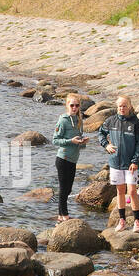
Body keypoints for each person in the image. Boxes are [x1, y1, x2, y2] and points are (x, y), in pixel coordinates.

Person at [100, 95, 139, 233]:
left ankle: (137, 221)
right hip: (115, 163)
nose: (122, 108)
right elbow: (101, 133)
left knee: (132, 191)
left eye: (125, 105)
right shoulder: (110, 121)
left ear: (130, 106)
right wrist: (106, 145)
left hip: (130, 164)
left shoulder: (136, 123)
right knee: (120, 191)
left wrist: (135, 161)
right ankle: (122, 221)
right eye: (120, 106)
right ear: (117, 107)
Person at [52, 94, 89, 222]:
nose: (74, 108)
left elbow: (78, 140)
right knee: (63, 188)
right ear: (67, 105)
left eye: (77, 105)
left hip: (73, 159)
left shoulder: (79, 121)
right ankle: (64, 216)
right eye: (71, 105)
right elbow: (55, 140)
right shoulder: (63, 120)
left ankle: (60, 215)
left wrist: (82, 142)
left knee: (68, 189)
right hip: (63, 158)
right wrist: (70, 141)